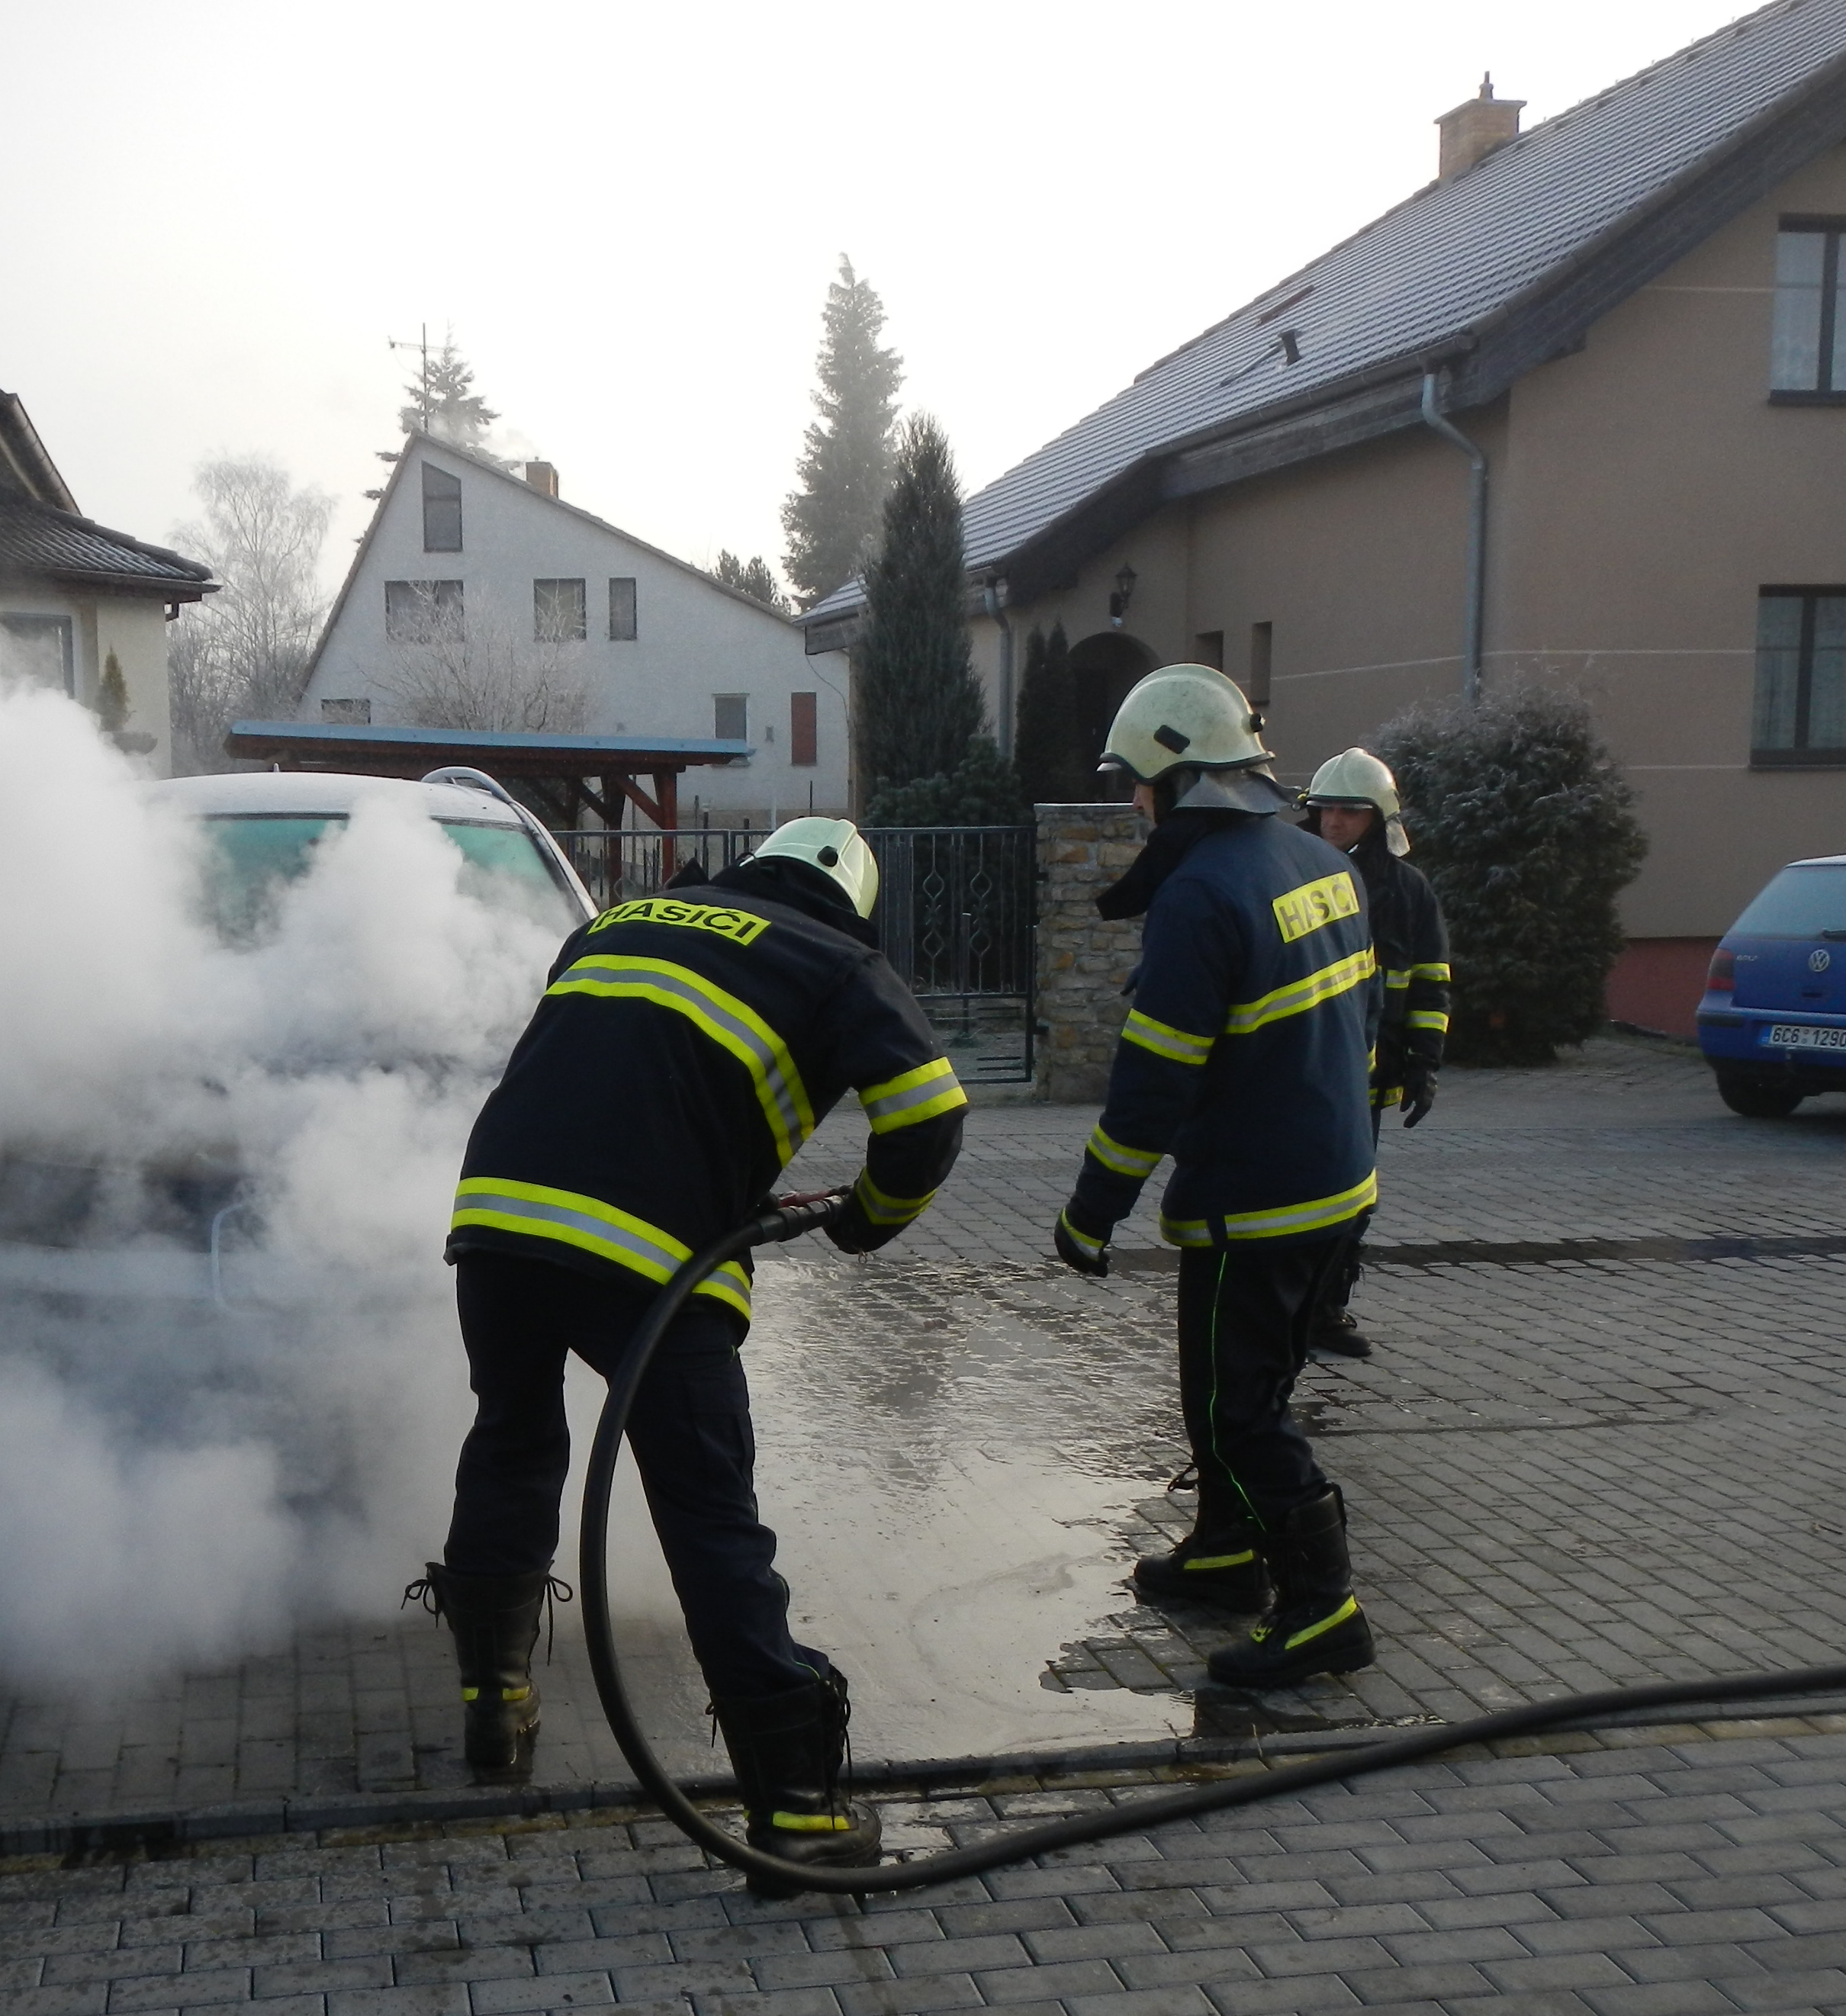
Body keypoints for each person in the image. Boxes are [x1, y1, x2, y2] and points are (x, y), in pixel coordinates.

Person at [419, 817, 967, 1885]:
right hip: (653, 1258)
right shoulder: (837, 960)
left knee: (513, 1443)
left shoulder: (620, 922)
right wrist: (867, 1220)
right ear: (852, 906)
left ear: (752, 870)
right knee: (710, 1513)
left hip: (498, 1221)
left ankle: (494, 1702)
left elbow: (611, 1067)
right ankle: (797, 1811)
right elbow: (930, 1112)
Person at [1054, 664, 1381, 1689]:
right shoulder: (1318, 860)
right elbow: (1361, 1022)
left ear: (1177, 778)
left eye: (1136, 783)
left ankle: (1324, 1610)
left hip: (1258, 1203)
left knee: (1240, 1411)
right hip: (1337, 1184)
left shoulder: (1200, 894)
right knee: (1234, 1393)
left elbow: (1154, 1082)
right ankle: (1227, 1553)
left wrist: (1091, 1212)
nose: (1131, 804)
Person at [1298, 748, 1452, 1360]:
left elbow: (1432, 981)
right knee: (1290, 1193)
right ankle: (1285, 1306)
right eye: (1325, 810)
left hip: (1367, 1071)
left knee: (1352, 1197)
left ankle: (1324, 1310)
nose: (1334, 822)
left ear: (1378, 819)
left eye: (1349, 812)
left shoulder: (1408, 891)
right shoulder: (1294, 876)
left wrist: (1424, 1062)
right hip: (1300, 1067)